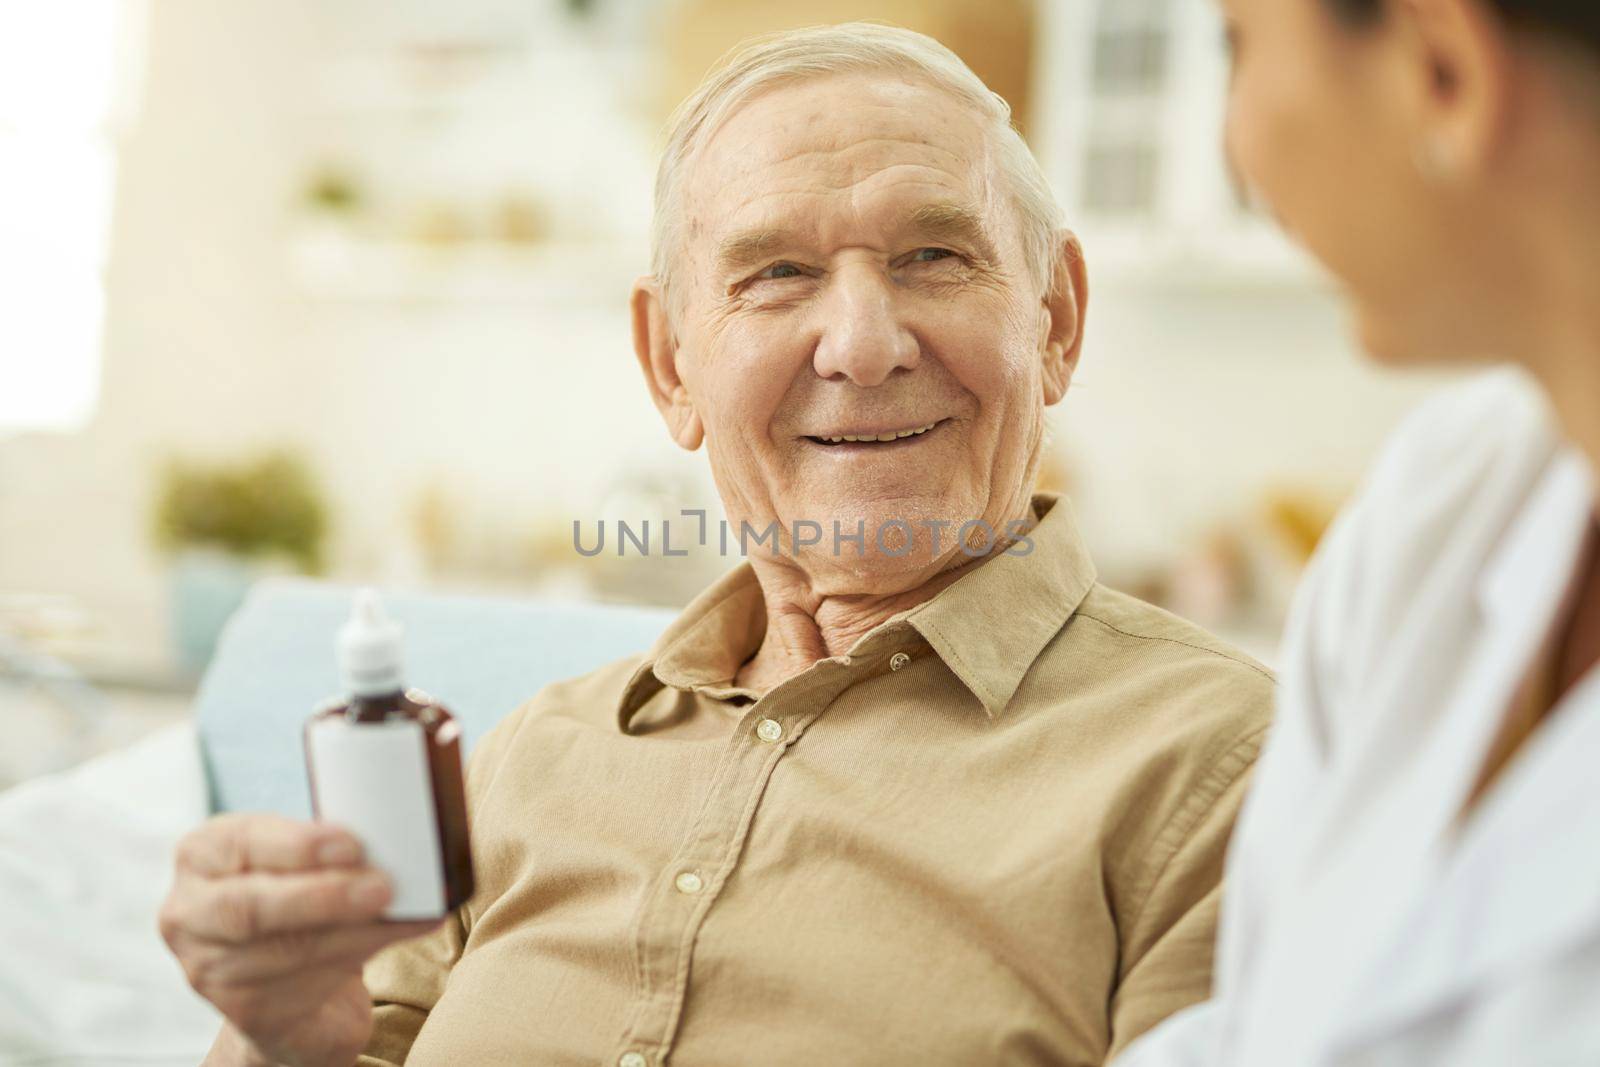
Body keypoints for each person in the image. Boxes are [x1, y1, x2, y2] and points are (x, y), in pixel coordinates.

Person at [158, 23, 1275, 1067]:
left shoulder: (1226, 766)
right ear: (671, 365)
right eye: (776, 273)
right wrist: (281, 1037)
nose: (863, 342)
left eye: (934, 254)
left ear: (1056, 322)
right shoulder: (529, 756)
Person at [1116, 1, 1600, 1063]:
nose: (1232, 148)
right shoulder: (1445, 502)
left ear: (1441, 71)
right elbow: (1263, 1028)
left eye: (1238, 44)